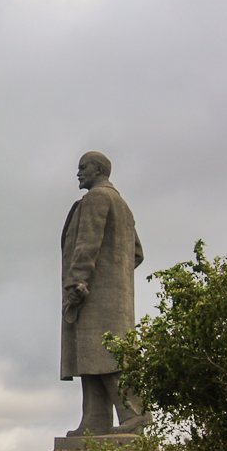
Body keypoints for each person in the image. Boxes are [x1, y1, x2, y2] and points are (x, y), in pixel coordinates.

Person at [61, 151, 150, 436]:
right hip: (115, 296)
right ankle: (95, 420)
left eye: (83, 167)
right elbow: (136, 253)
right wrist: (117, 271)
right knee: (91, 356)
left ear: (98, 169)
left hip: (94, 294)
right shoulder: (121, 203)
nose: (78, 173)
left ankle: (135, 413)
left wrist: (78, 281)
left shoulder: (97, 198)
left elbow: (87, 243)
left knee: (107, 356)